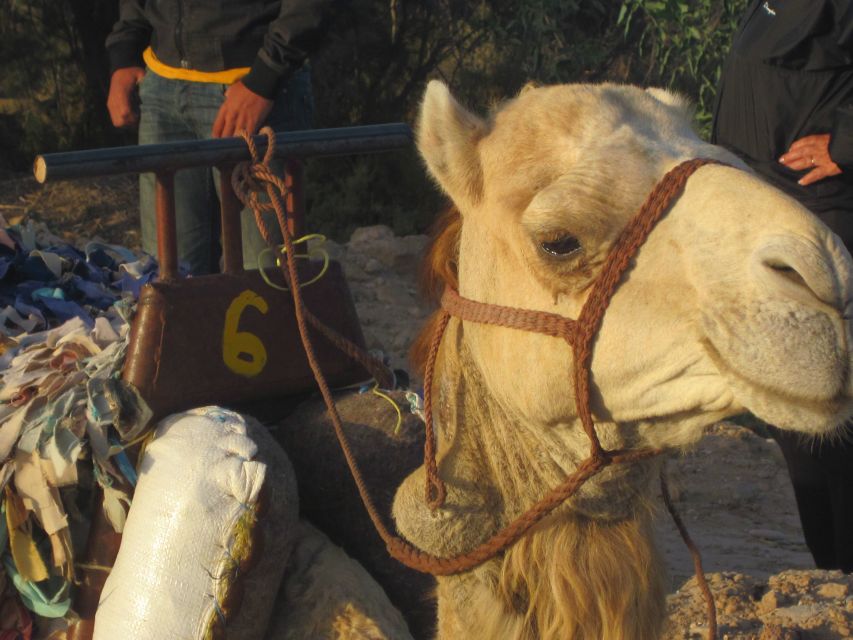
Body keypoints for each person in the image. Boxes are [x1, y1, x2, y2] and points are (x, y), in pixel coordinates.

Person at [712, 0, 853, 574]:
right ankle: (834, 574)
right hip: (767, 220)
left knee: (834, 409)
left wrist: (844, 145)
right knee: (794, 415)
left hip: (819, 226)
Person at [105, 0, 335, 275]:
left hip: (254, 95)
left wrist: (266, 77)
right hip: (161, 91)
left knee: (266, 282)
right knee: (171, 282)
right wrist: (126, 50)